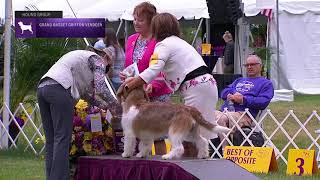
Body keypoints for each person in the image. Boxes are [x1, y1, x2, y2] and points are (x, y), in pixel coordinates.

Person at [123, 13, 219, 155]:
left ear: (156, 28)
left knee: (192, 136)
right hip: (206, 85)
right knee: (199, 133)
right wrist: (151, 84)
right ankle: (203, 164)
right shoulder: (178, 42)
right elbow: (171, 72)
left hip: (196, 87)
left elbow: (154, 69)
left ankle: (193, 170)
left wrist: (130, 84)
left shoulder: (163, 45)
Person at [37, 47, 122, 180]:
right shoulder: (98, 60)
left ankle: (51, 177)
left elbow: (88, 96)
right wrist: (117, 106)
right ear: (106, 58)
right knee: (62, 138)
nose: (104, 72)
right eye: (107, 68)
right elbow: (101, 89)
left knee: (52, 140)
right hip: (60, 89)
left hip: (42, 88)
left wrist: (105, 106)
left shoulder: (81, 60)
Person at [121, 2, 172, 154]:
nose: (136, 22)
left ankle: (163, 169)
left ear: (151, 21)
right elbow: (128, 64)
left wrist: (154, 84)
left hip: (157, 93)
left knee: (157, 135)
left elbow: (164, 68)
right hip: (135, 94)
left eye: (140, 20)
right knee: (137, 132)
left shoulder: (160, 41)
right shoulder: (131, 39)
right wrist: (125, 75)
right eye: (134, 19)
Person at [215, 55, 274, 146]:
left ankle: (225, 151)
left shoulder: (266, 83)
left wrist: (243, 100)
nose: (249, 67)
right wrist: (234, 93)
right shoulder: (239, 80)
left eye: (253, 64)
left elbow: (263, 102)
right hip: (225, 111)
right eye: (247, 65)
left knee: (221, 119)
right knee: (203, 116)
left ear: (260, 66)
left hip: (244, 115)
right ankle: (207, 149)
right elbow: (223, 92)